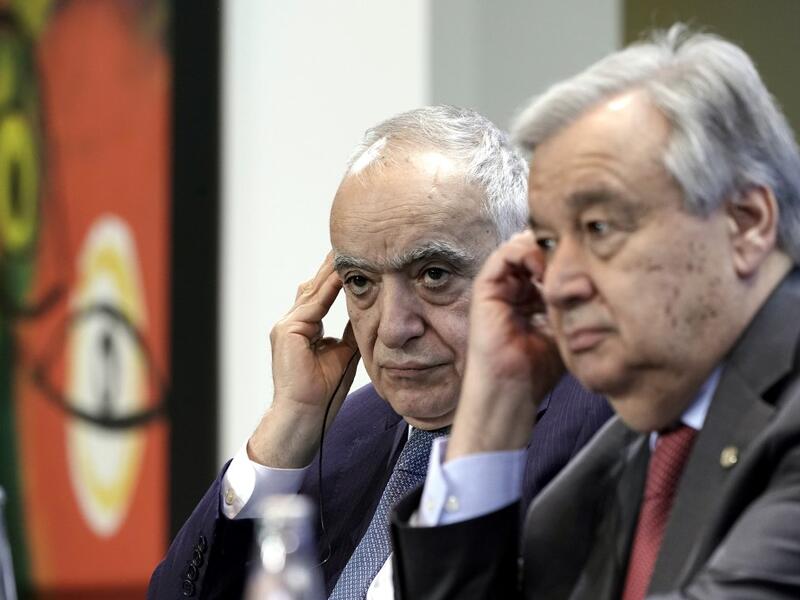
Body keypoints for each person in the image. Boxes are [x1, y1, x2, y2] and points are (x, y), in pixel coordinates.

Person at [391, 26, 800, 600]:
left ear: (747, 222)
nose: (555, 286)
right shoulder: (603, 475)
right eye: (549, 243)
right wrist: (492, 409)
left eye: (599, 228)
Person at [147, 106, 611, 599]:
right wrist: (287, 430)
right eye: (360, 282)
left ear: (526, 268)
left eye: (434, 274)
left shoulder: (599, 420)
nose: (394, 329)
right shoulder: (347, 430)